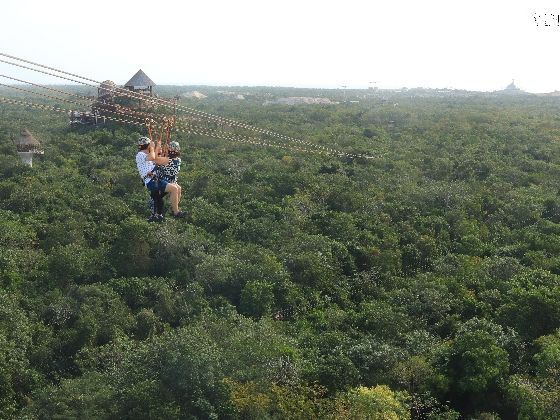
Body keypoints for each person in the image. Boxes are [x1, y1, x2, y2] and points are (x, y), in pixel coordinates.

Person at [135, 136, 185, 220]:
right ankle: (175, 212)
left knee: (177, 187)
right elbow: (153, 158)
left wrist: (159, 148)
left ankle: (173, 209)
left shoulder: (147, 155)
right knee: (174, 189)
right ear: (148, 146)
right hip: (152, 181)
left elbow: (156, 158)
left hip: (156, 179)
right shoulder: (141, 154)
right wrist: (154, 147)